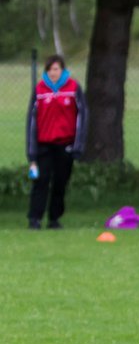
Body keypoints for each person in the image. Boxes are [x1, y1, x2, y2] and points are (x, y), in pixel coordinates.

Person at [26, 54, 87, 230]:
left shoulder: (73, 88)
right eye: (50, 70)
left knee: (60, 182)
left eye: (56, 69)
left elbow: (82, 116)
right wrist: (31, 152)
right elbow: (31, 120)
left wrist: (78, 146)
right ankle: (35, 218)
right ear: (46, 71)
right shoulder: (39, 90)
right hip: (43, 145)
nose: (54, 73)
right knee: (41, 181)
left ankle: (54, 219)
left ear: (62, 70)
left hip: (65, 145)